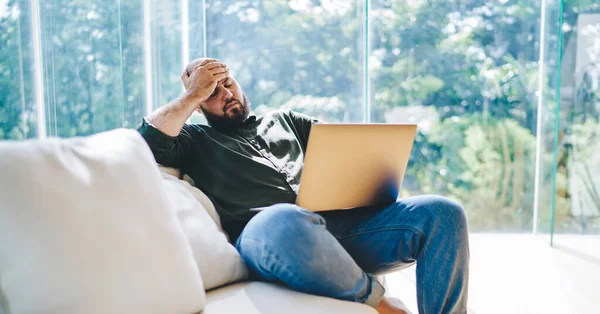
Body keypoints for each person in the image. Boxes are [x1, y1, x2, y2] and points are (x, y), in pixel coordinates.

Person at [137, 58, 470, 314]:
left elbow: (346, 147)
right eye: (211, 92)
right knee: (285, 217)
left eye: (227, 84)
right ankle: (380, 304)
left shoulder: (285, 120)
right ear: (196, 102)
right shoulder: (196, 140)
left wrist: (367, 178)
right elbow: (147, 140)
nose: (225, 94)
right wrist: (192, 92)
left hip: (336, 229)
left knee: (444, 212)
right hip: (270, 239)